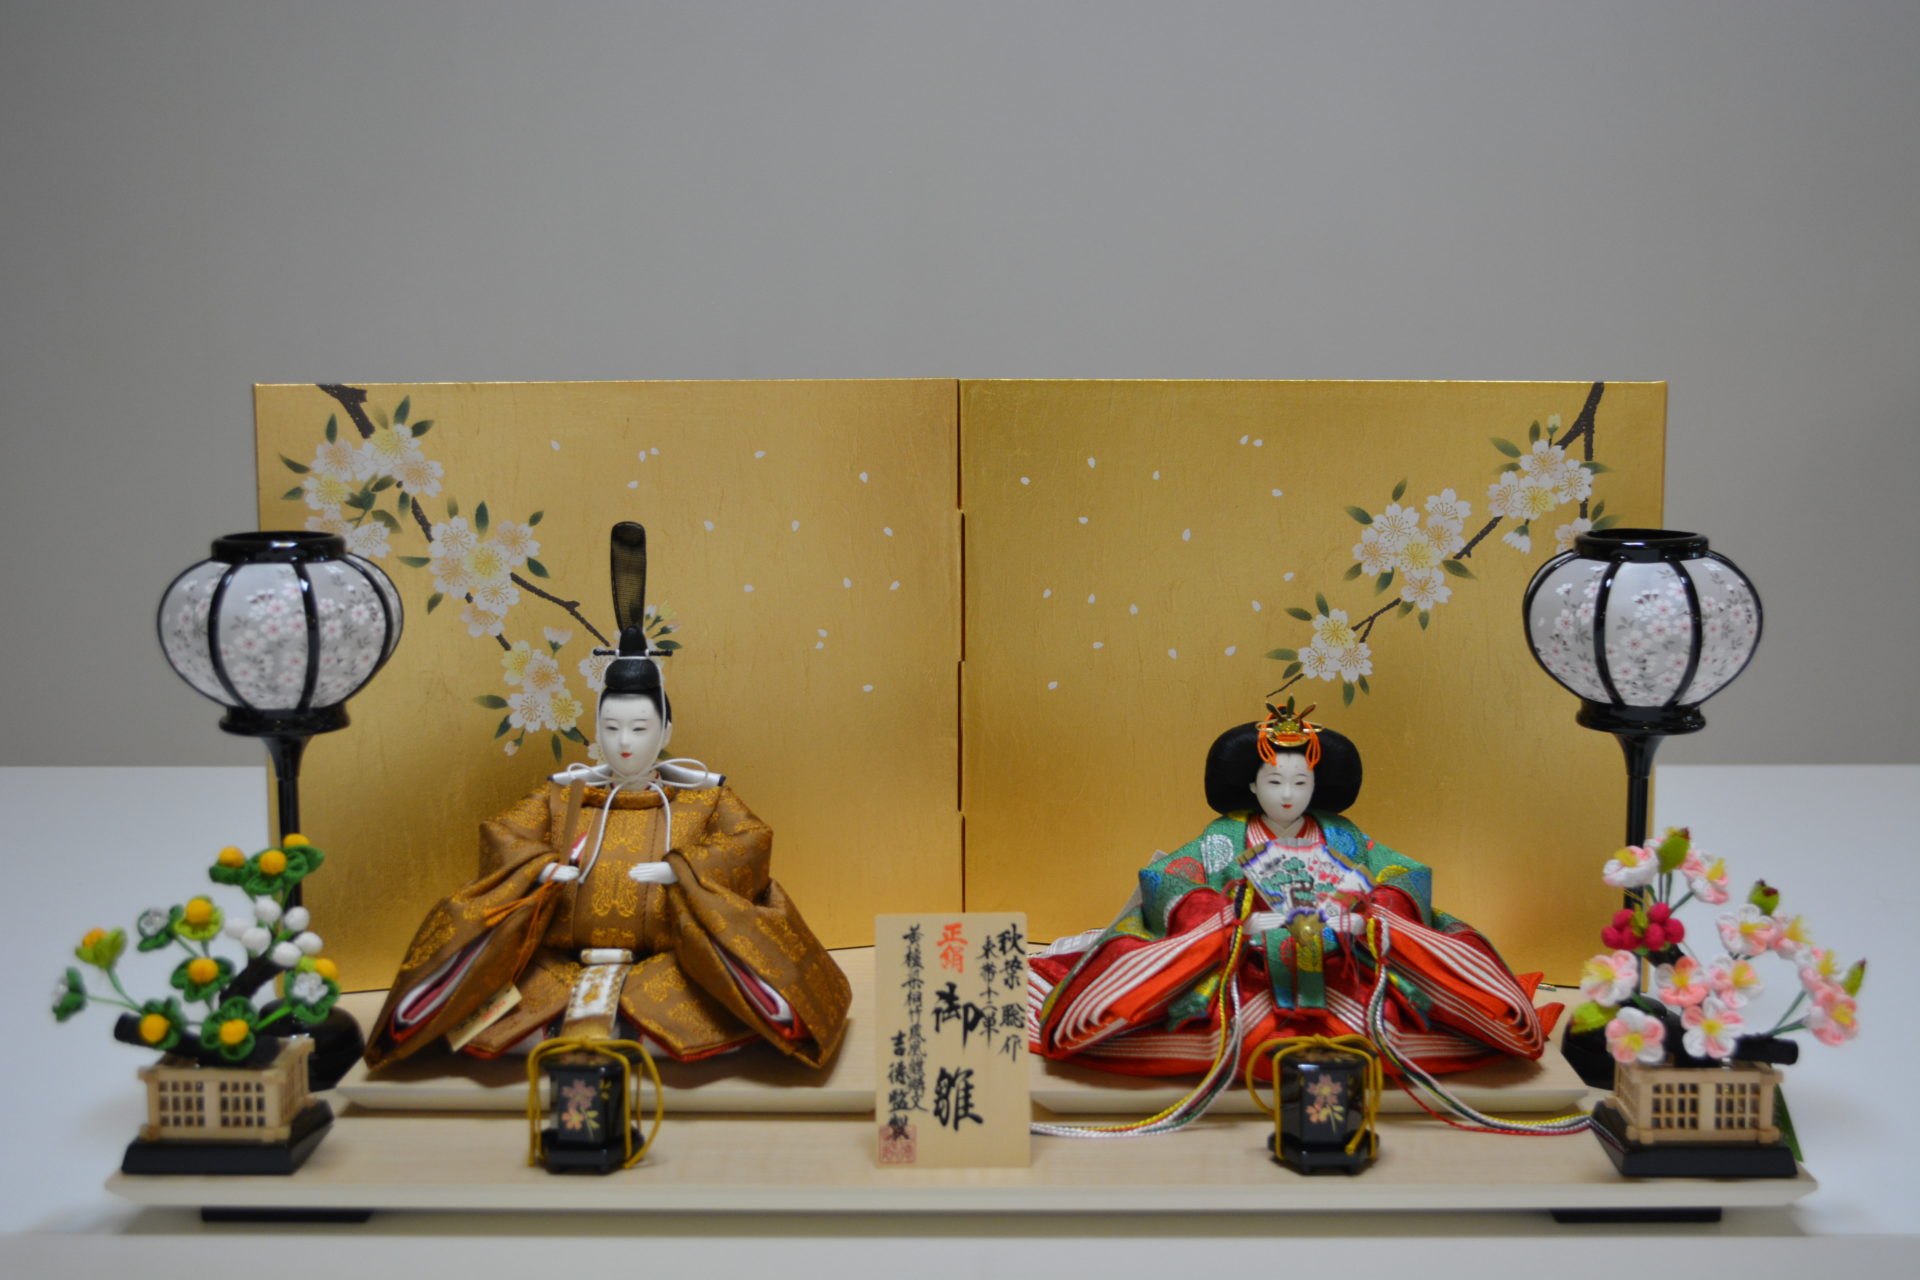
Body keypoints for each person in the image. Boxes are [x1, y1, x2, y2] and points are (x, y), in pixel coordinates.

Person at [363, 525, 850, 1071]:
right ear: (595, 727)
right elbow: (501, 834)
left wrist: (685, 870)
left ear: (666, 730)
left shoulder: (704, 797)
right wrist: (539, 867)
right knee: (513, 1019)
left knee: (701, 1018)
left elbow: (752, 839)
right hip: (557, 965)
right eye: (611, 727)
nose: (624, 743)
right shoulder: (563, 793)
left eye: (640, 728)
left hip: (670, 968)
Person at [1029, 699, 1553, 1081]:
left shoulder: (1344, 837)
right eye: (1274, 782)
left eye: (1300, 783)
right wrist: (1227, 921)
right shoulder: (1224, 836)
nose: (1287, 795)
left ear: (1316, 786)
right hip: (1241, 966)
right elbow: (1170, 878)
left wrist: (1369, 917)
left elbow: (1405, 874)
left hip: (1345, 967)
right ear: (1251, 785)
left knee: (1386, 1027)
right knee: (1218, 1030)